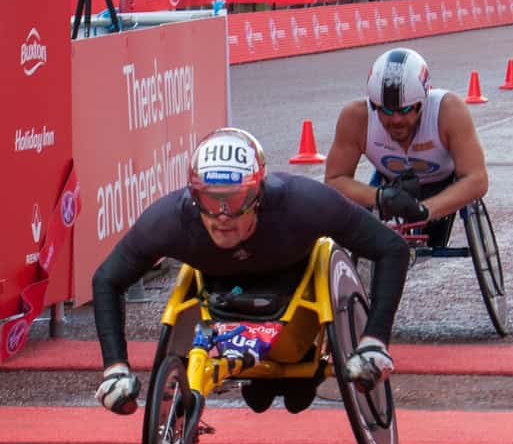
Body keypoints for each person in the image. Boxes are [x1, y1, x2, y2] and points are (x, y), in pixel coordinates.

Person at [92, 128, 410, 416]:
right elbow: (107, 279)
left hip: (295, 295)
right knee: (260, 397)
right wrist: (115, 367)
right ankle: (260, 377)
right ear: (193, 195)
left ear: (257, 193)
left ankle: (294, 372)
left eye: (235, 200)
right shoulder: (170, 220)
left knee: (295, 391)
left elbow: (391, 248)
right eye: (209, 200)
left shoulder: (303, 203)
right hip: (220, 294)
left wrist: (374, 340)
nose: (222, 216)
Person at [324, 48, 489, 251]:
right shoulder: (356, 117)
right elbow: (334, 180)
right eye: (385, 110)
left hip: (443, 185)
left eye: (404, 109)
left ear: (422, 102)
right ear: (374, 104)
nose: (396, 119)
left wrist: (424, 210)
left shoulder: (449, 110)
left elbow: (477, 179)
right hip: (392, 187)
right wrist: (378, 197)